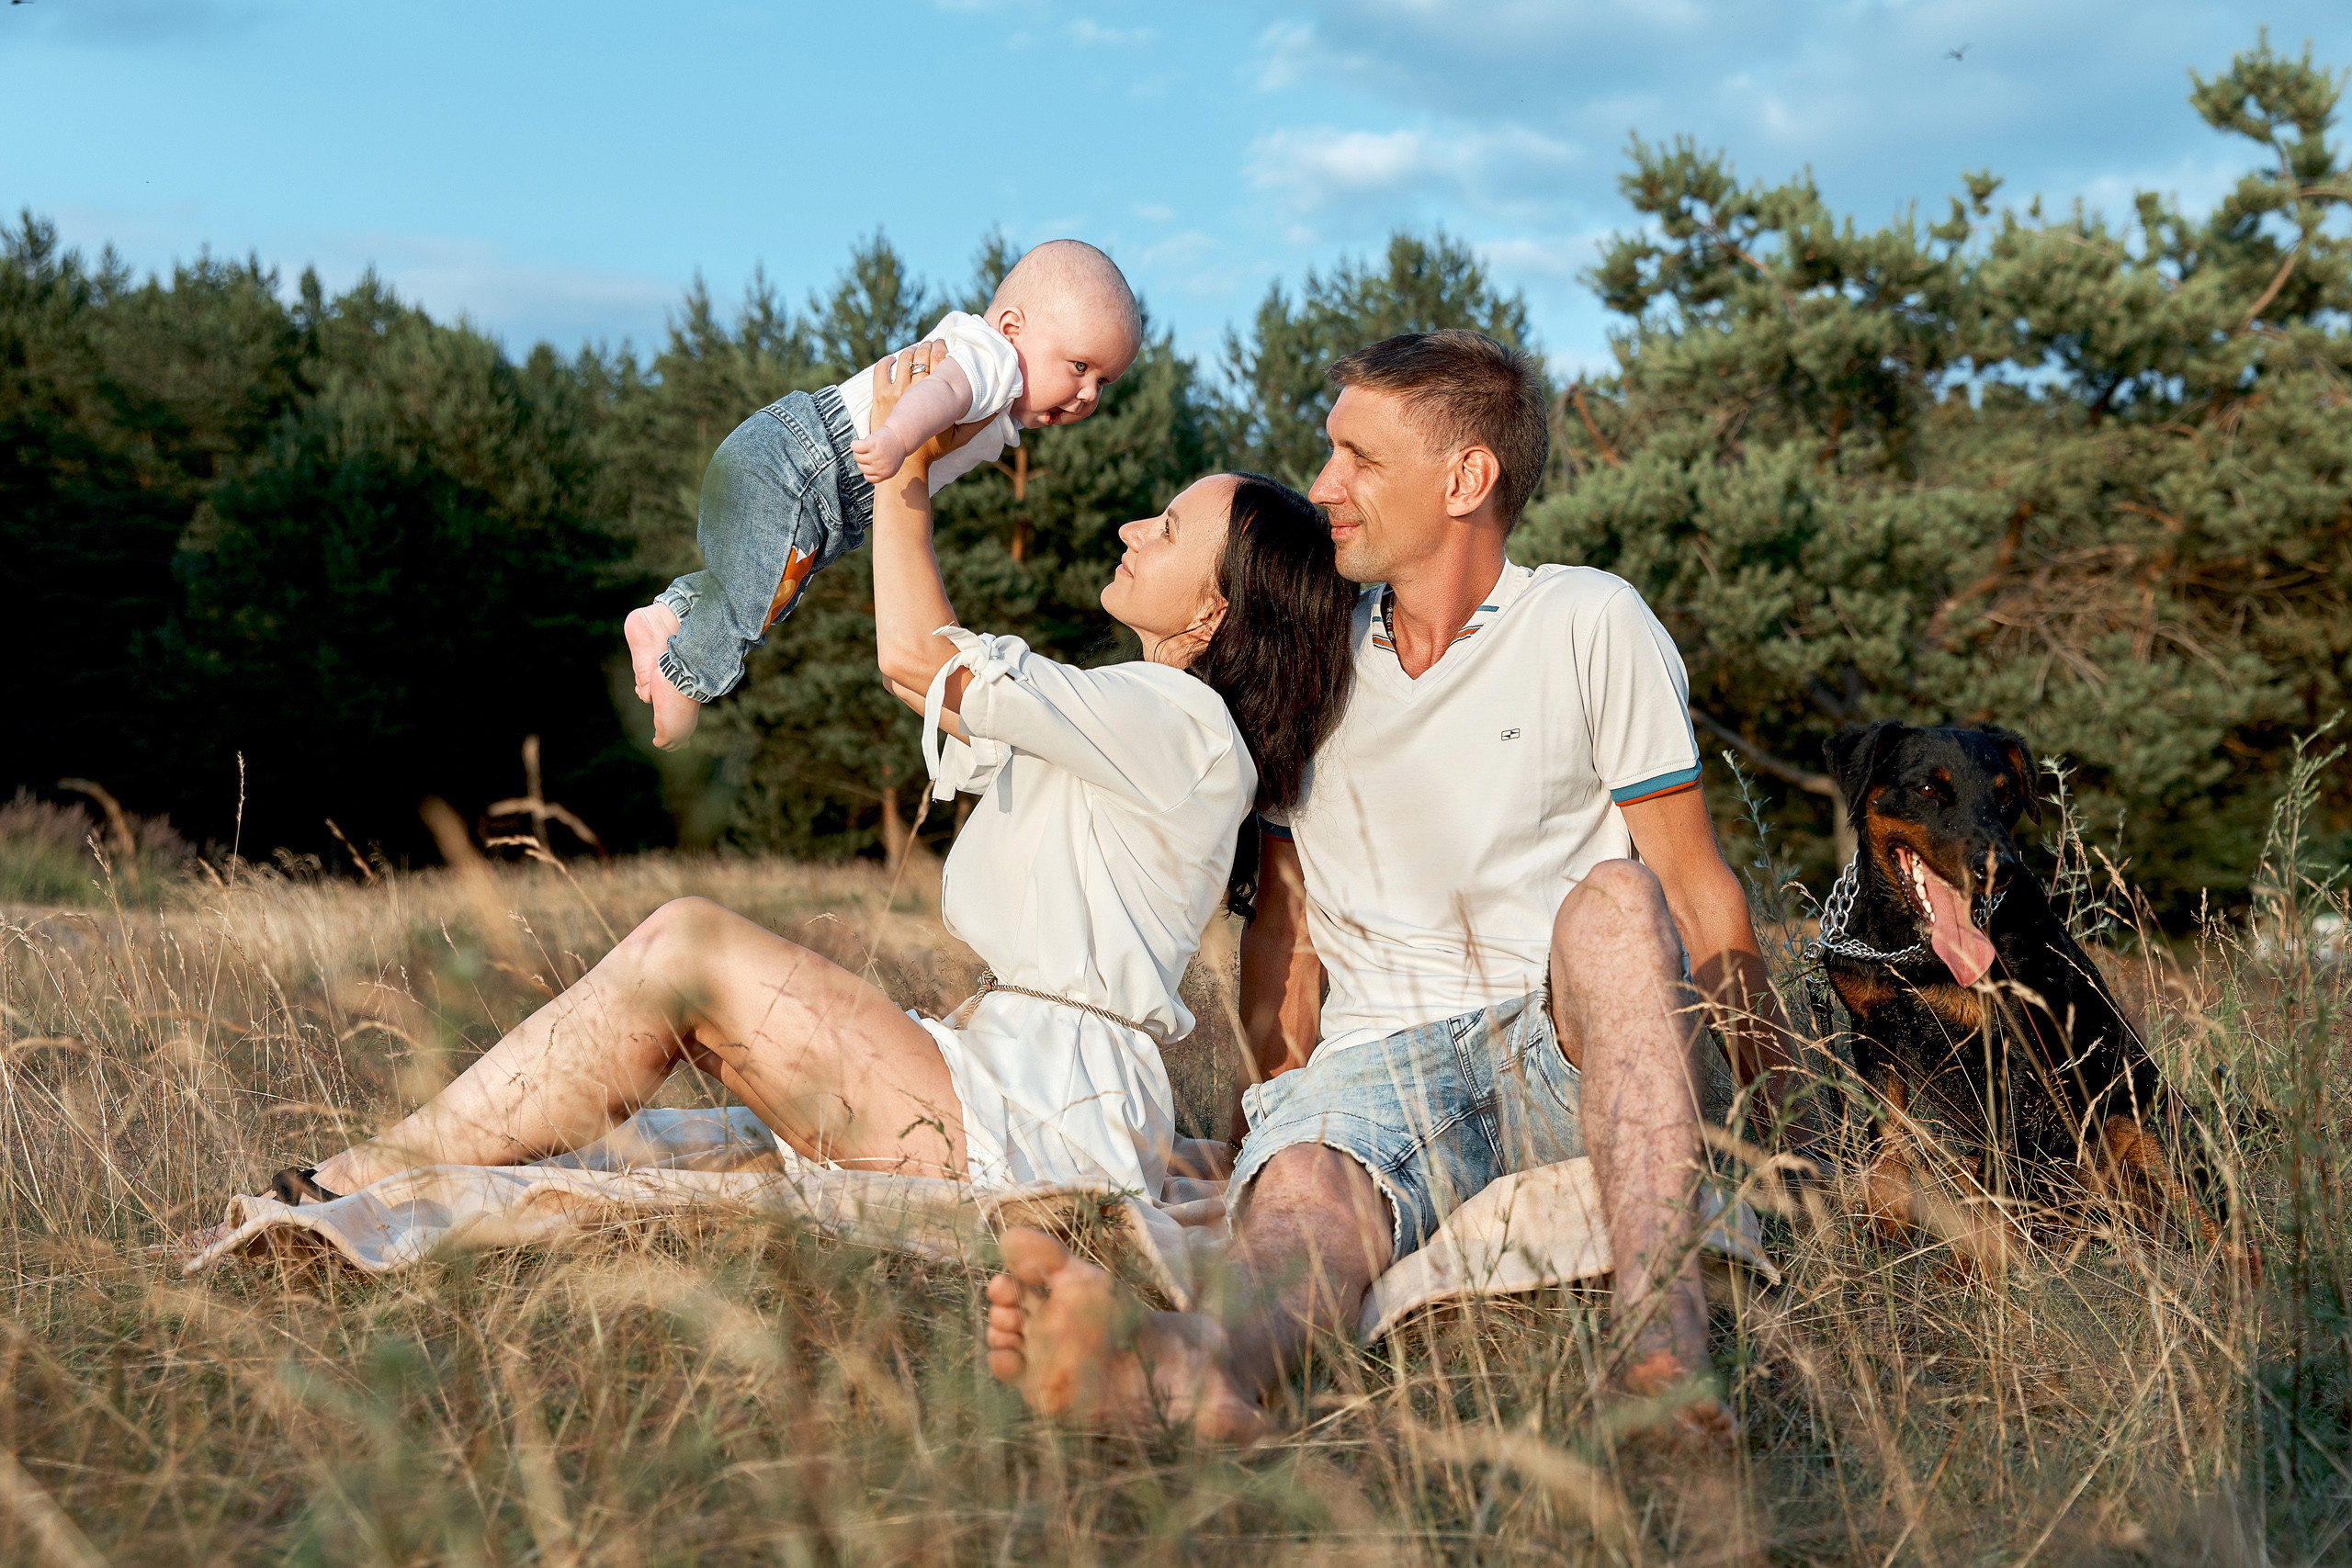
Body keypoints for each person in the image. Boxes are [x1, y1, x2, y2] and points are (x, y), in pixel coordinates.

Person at [232, 343, 1357, 1221]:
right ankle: (393, 1165)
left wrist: (903, 476)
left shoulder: (1184, 722)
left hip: (1038, 1114)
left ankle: (373, 1172)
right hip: (1007, 1077)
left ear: (1214, 612)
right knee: (683, 978)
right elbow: (945, 687)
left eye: (1162, 531)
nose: (1127, 528)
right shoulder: (1137, 719)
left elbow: (919, 661)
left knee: (688, 947)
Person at [981, 330, 1815, 1445]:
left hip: (1561, 1047)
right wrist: (1264, 1127)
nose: (1323, 487)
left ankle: (1661, 1356)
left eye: (1358, 459)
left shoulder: (1587, 621)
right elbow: (1286, 930)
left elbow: (1697, 892)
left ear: (1466, 479)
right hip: (1376, 1074)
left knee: (1618, 902)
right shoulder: (1313, 655)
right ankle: (1189, 1372)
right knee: (1307, 1194)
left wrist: (1785, 1139)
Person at [625, 240, 1143, 750]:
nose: (1088, 395)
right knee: (757, 595)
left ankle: (667, 617)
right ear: (1012, 327)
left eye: (1104, 382)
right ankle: (687, 674)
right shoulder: (993, 360)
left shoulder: (1002, 388)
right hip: (808, 465)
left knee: (763, 585)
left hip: (809, 478)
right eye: (1079, 367)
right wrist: (896, 437)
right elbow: (941, 393)